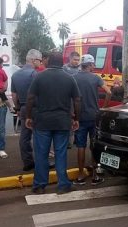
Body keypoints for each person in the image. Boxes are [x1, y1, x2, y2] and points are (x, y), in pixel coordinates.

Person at [26, 52, 81, 194]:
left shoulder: (39, 77)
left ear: (48, 61)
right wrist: (76, 119)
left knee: (41, 154)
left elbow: (30, 98)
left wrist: (28, 116)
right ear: (62, 62)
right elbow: (77, 100)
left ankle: (39, 185)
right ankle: (63, 184)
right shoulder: (69, 78)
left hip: (43, 122)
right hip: (62, 122)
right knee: (61, 153)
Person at [72, 54, 112, 185]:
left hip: (80, 117)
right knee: (94, 145)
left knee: (80, 146)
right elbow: (109, 92)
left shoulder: (74, 78)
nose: (94, 66)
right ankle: (95, 175)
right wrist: (103, 108)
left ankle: (80, 175)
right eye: (93, 64)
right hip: (94, 116)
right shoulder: (96, 78)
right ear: (89, 65)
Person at [11, 49, 42, 171]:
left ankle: (27, 162)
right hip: (36, 108)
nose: (40, 63)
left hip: (23, 108)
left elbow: (14, 95)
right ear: (34, 60)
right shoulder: (35, 74)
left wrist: (17, 108)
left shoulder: (15, 75)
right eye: (40, 60)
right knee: (40, 136)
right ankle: (41, 162)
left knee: (24, 136)